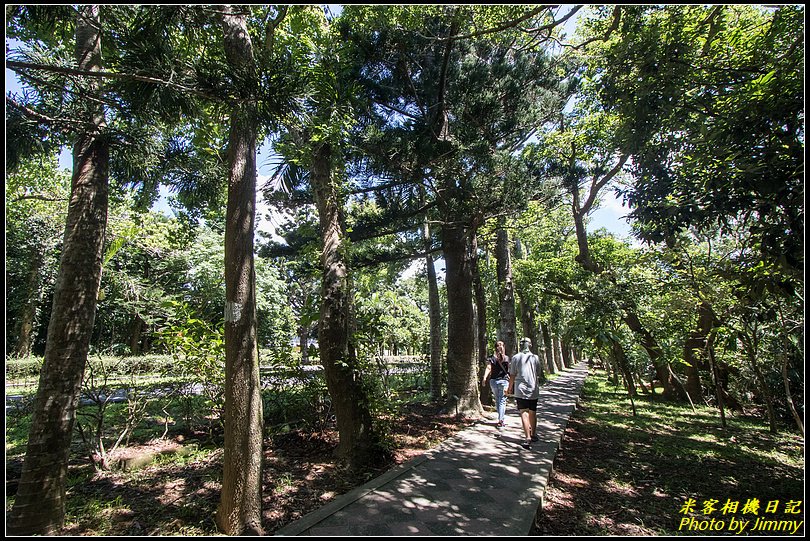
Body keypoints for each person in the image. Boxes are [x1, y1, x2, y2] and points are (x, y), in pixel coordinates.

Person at [506, 337, 542, 449]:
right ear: (530, 345)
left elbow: (512, 374)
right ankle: (533, 434)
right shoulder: (535, 358)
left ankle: (527, 438)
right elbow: (538, 372)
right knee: (532, 412)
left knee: (524, 412)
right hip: (533, 389)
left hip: (521, 389)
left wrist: (509, 388)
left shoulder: (516, 358)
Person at [481, 340, 510, 432]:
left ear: (495, 348)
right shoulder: (506, 358)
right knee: (502, 401)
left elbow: (488, 368)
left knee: (498, 400)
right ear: (503, 347)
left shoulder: (491, 358)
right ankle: (501, 420)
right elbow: (510, 370)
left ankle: (500, 418)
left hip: (493, 382)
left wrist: (484, 378)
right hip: (504, 382)